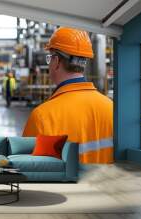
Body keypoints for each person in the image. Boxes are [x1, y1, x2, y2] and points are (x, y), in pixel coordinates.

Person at [22, 27, 113, 164]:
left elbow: (29, 168)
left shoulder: (42, 116)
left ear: (57, 61)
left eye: (50, 58)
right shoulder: (111, 107)